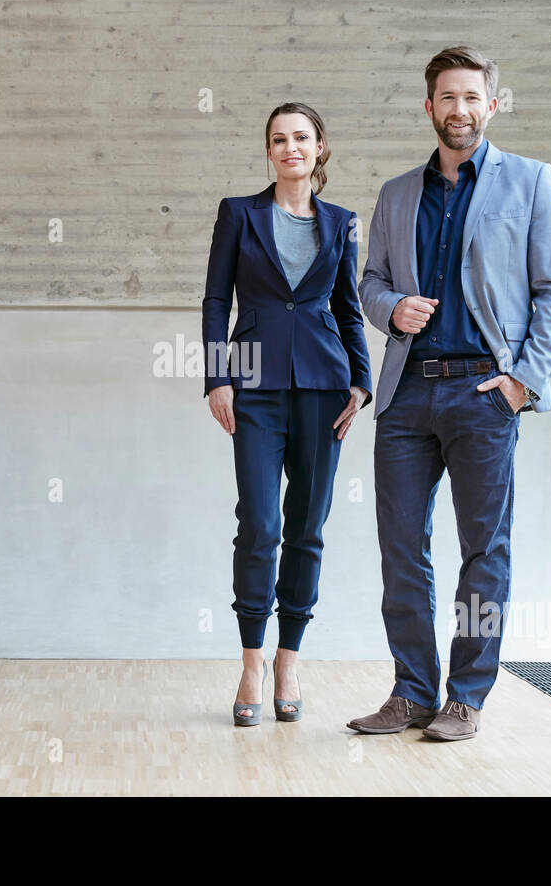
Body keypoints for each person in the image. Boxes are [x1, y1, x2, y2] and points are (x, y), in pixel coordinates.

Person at [350, 46, 551, 741]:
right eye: (447, 98)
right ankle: (412, 693)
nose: (460, 110)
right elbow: (369, 282)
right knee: (402, 549)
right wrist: (391, 309)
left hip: (484, 393)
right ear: (429, 108)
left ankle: (465, 697)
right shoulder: (396, 194)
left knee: (485, 549)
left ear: (492, 105)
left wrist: (519, 385)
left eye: (472, 97)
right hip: (408, 395)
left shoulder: (533, 182)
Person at [203, 102, 373, 726]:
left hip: (325, 389)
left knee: (307, 526)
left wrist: (361, 380)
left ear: (320, 148)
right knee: (259, 523)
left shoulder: (342, 222)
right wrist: (216, 377)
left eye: (301, 137)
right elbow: (217, 295)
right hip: (254, 387)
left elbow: (348, 308)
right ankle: (251, 661)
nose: (290, 147)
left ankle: (288, 661)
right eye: (279, 139)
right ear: (269, 150)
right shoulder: (239, 214)